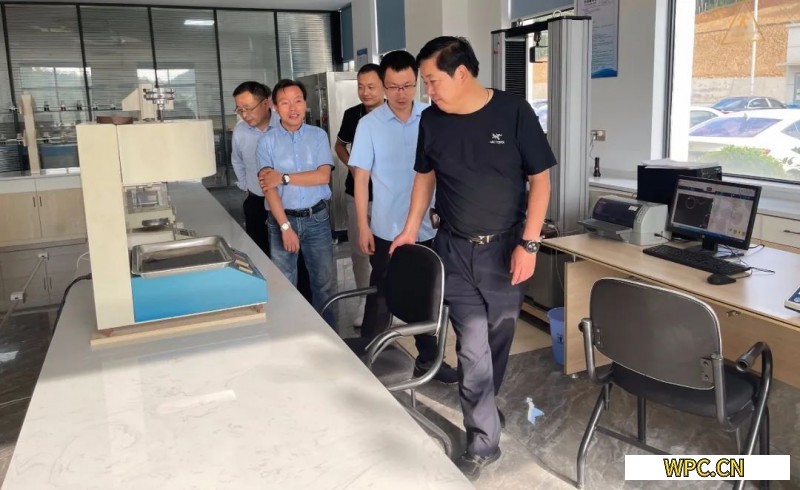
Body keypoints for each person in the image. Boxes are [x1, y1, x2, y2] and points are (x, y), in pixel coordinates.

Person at [390, 37, 557, 481]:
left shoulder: (514, 112)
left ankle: (484, 403)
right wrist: (410, 228)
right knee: (471, 346)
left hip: (505, 250)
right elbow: (424, 177)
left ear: (461, 74)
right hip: (454, 247)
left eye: (432, 81)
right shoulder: (432, 120)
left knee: (498, 336)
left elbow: (540, 181)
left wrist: (530, 244)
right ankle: (483, 441)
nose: (427, 91)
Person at [349, 50, 458, 384]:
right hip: (387, 228)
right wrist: (363, 225)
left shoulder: (433, 116)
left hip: (429, 227)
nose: (401, 94)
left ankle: (428, 359)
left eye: (408, 85)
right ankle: (367, 359)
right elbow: (361, 179)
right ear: (383, 85)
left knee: (428, 297)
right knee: (381, 294)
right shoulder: (369, 125)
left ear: (417, 83)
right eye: (394, 86)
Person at [257, 79, 336, 327]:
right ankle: (288, 335)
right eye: (285, 103)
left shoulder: (318, 136)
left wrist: (283, 177)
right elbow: (269, 188)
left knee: (324, 284)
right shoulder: (267, 141)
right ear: (274, 107)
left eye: (298, 101)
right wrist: (285, 227)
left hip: (317, 219)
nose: (293, 108)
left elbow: (323, 176)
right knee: (284, 285)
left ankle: (328, 337)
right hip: (282, 220)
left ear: (305, 103)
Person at [231, 81, 312, 300]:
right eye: (240, 109)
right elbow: (237, 162)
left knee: (297, 258)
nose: (245, 114)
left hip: (287, 203)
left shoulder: (285, 124)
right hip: (257, 202)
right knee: (259, 256)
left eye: (249, 108)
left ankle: (303, 304)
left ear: (267, 103)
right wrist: (248, 187)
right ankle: (270, 303)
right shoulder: (240, 131)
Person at [333, 63, 384, 327]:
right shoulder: (353, 115)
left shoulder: (394, 114)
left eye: (371, 86)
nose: (365, 92)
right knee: (359, 252)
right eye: (361, 86)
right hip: (357, 195)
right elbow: (339, 145)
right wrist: (353, 167)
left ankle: (391, 300)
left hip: (387, 198)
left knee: (389, 252)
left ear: (384, 86)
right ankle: (365, 300)